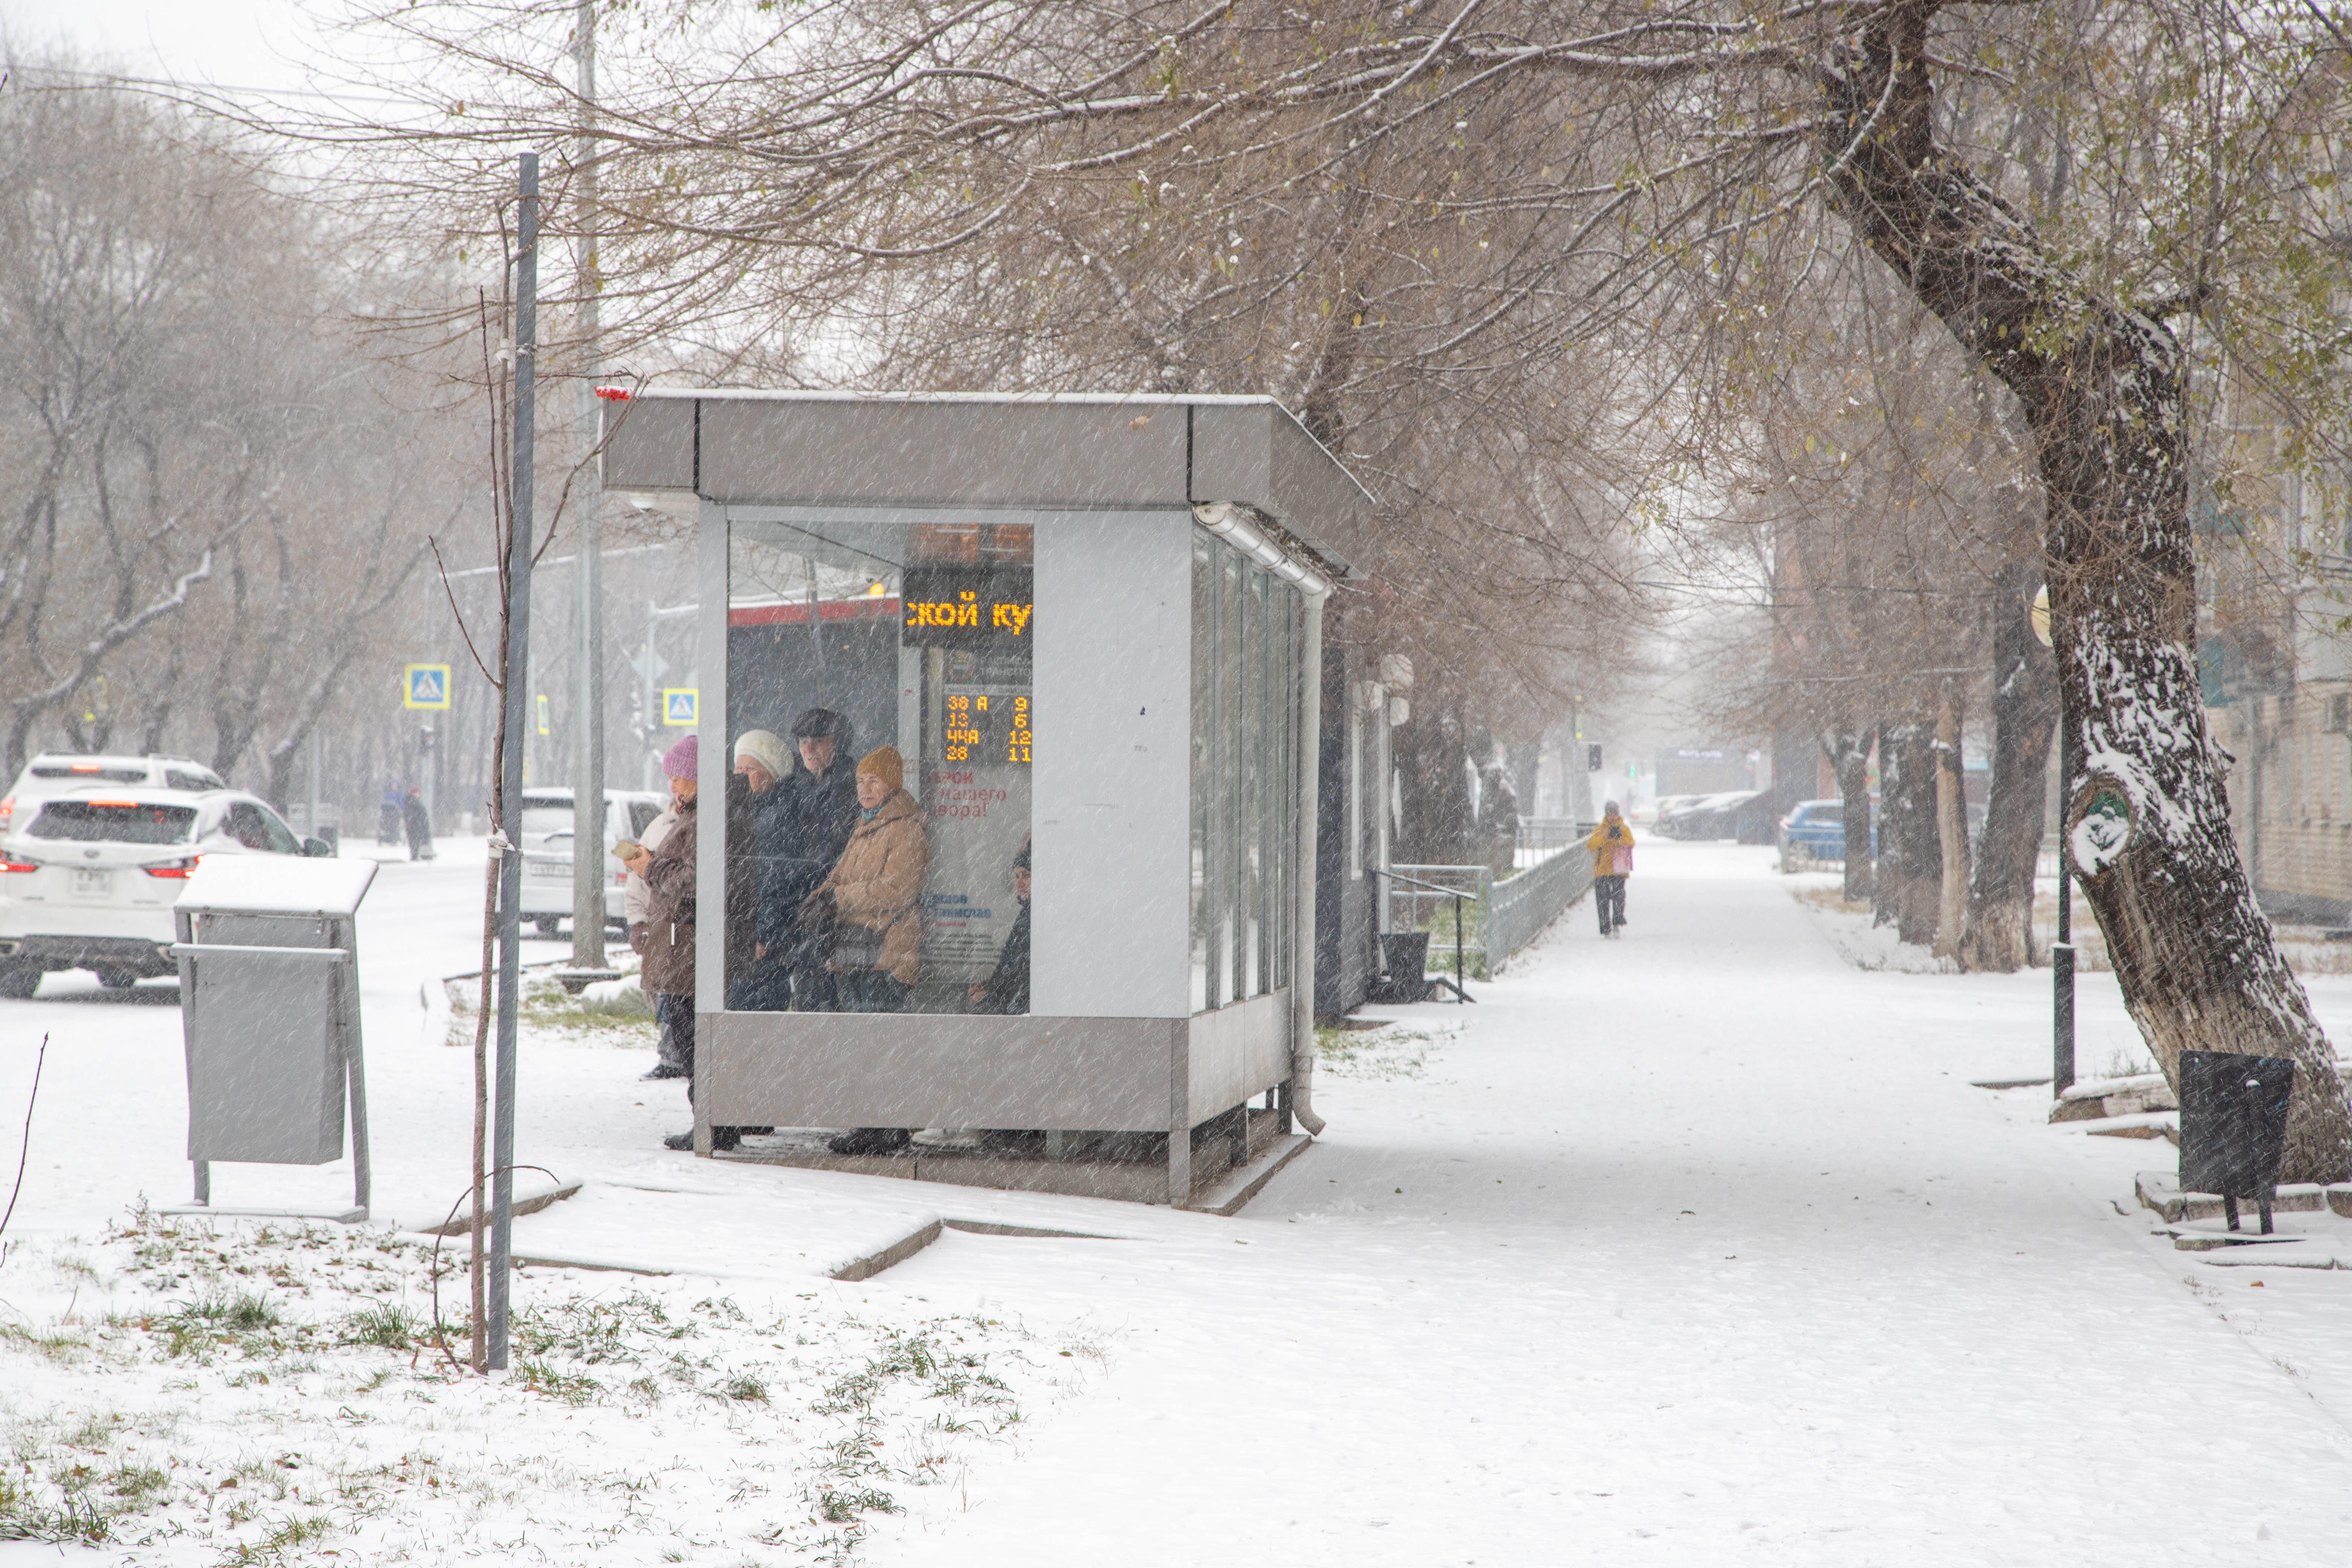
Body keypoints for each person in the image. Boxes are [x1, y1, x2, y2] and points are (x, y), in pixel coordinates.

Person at [619, 736, 751, 1153]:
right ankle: (713, 1120)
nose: (674, 786)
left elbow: (695, 880)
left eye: (680, 777)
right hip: (686, 942)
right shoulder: (697, 813)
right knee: (689, 1033)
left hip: (692, 942)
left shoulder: (708, 818)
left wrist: (650, 865)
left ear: (699, 778)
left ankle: (711, 1122)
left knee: (694, 1035)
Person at [810, 744, 927, 1157]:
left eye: (874, 780)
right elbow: (838, 876)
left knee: (880, 1042)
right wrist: (819, 898)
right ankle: (873, 1124)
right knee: (864, 1041)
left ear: (892, 782)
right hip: (858, 951)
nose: (865, 788)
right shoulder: (865, 826)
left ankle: (884, 1127)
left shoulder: (905, 828)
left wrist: (838, 899)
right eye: (861, 780)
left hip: (887, 952)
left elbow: (899, 889)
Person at [773, 708, 860, 1012]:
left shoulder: (856, 782)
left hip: (840, 894)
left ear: (837, 743)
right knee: (804, 983)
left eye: (818, 741)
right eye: (803, 741)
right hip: (795, 893)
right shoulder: (788, 782)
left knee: (839, 986)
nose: (809, 748)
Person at [726, 729, 796, 1012]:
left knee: (751, 1015)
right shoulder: (742, 811)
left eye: (750, 768)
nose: (741, 775)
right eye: (738, 768)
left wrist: (760, 934)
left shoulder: (779, 818)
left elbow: (775, 884)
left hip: (759, 943)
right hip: (741, 935)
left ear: (771, 774)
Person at [626, 793, 686, 1079]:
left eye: (680, 778)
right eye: (672, 779)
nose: (675, 787)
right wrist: (637, 921)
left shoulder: (696, 824)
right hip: (661, 925)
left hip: (682, 927)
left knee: (676, 993)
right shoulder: (658, 825)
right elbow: (636, 876)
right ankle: (671, 1055)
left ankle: (676, 1058)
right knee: (658, 990)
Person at [968, 842, 1031, 1014]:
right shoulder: (1027, 912)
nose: (1020, 883)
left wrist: (993, 993)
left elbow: (1021, 968)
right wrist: (992, 986)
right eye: (1017, 876)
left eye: (1025, 875)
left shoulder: (1035, 915)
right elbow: (1012, 961)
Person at [1587, 800, 1635, 938]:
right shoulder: (1600, 829)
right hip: (1602, 870)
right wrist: (1604, 837)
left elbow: (1631, 843)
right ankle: (1605, 928)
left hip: (1619, 869)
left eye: (1614, 814)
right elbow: (1591, 845)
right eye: (1610, 815)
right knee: (1602, 900)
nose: (1612, 817)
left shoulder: (1624, 829)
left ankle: (1617, 922)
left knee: (1619, 897)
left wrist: (1618, 839)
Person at [403, 785, 436, 862]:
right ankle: (415, 857)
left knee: (414, 842)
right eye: (417, 793)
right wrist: (418, 823)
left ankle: (415, 856)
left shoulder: (410, 802)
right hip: (416, 827)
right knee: (415, 842)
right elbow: (413, 816)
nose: (418, 794)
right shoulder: (413, 803)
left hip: (414, 827)